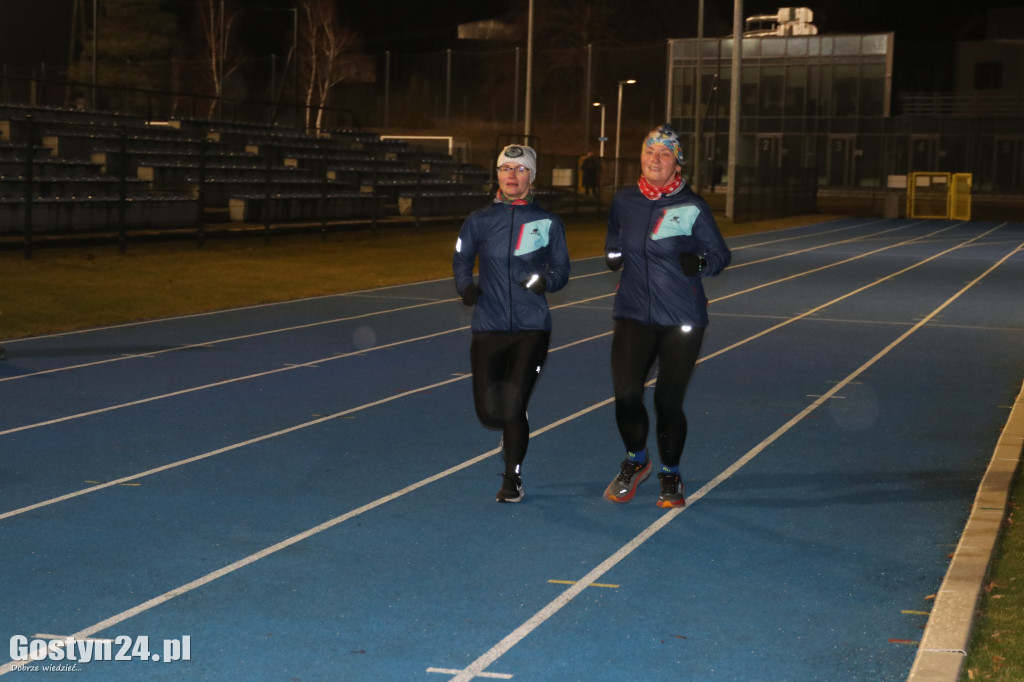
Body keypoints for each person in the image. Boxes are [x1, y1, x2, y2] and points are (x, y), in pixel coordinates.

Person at [602, 124, 731, 508]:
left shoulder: (693, 206)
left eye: (664, 154)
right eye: (649, 152)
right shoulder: (625, 200)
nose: (655, 160)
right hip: (633, 312)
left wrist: (702, 261)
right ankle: (636, 461)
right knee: (626, 395)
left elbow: (721, 255)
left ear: (677, 163)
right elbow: (614, 236)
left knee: (667, 403)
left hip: (681, 318)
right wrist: (613, 253)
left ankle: (671, 474)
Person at [452, 144, 571, 503]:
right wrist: (466, 287)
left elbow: (562, 270)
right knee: (491, 412)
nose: (512, 175)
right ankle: (509, 429)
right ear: (498, 175)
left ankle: (512, 477)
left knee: (514, 405)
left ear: (531, 177)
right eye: (506, 169)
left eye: (520, 170)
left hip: (531, 326)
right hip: (488, 324)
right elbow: (461, 259)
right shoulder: (478, 220)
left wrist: (545, 282)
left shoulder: (549, 223)